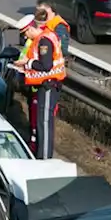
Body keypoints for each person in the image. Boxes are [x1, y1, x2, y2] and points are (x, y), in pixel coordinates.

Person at [10, 14, 65, 160]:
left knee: (45, 123)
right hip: (44, 86)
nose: (26, 37)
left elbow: (45, 66)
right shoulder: (43, 38)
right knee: (41, 122)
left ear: (30, 29)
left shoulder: (44, 41)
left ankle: (45, 158)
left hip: (48, 86)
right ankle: (41, 154)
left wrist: (27, 63)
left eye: (25, 33)